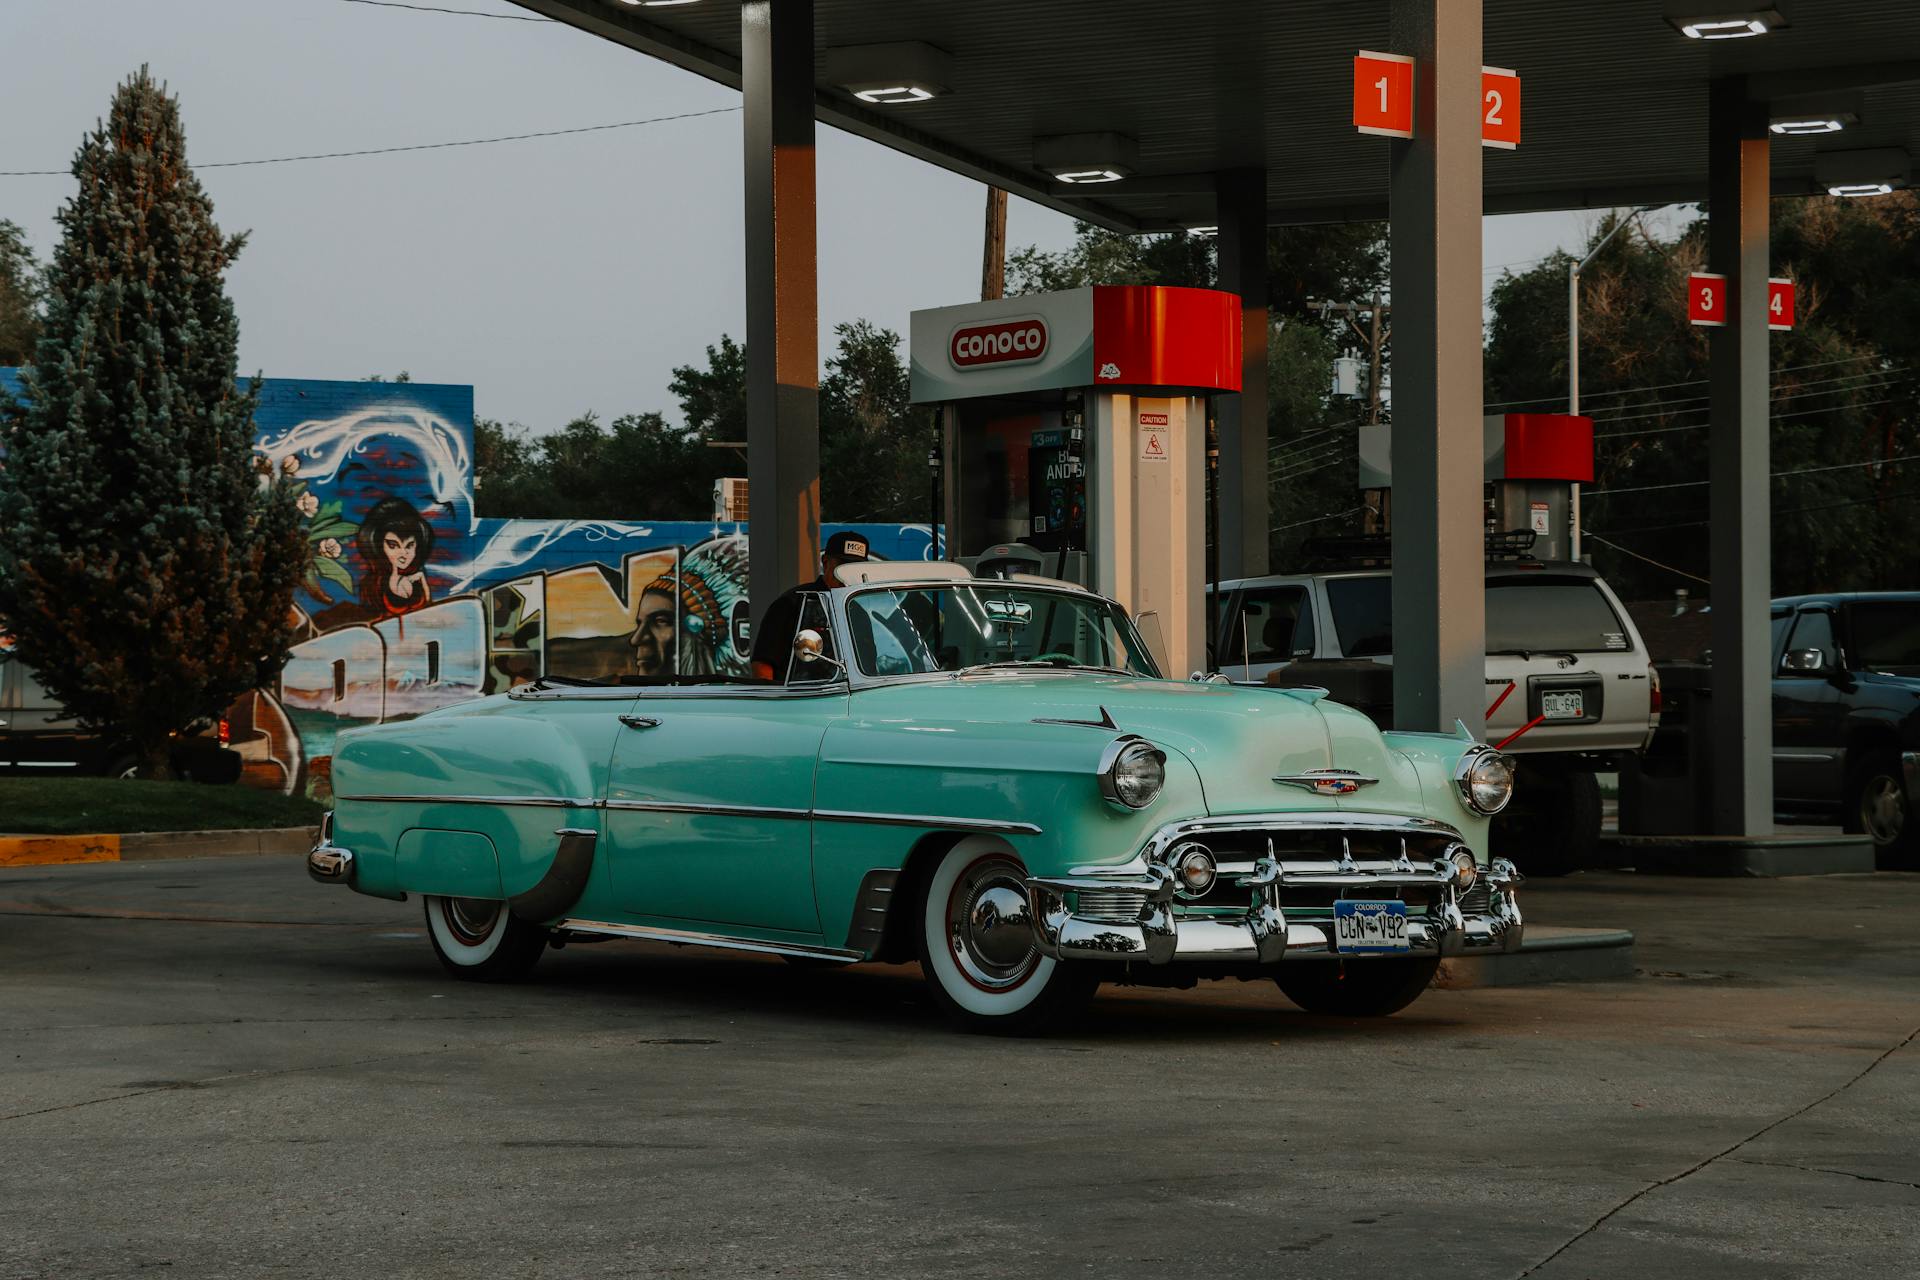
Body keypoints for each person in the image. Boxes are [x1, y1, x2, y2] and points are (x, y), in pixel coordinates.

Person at [749, 531, 869, 681]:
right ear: (825, 563)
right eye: (842, 567)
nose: (846, 576)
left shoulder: (858, 613)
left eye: (854, 569)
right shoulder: (792, 602)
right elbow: (763, 663)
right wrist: (771, 702)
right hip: (798, 699)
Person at [355, 497, 435, 619]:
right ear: (379, 546)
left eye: (409, 545)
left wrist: (423, 582)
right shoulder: (373, 585)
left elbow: (429, 611)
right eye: (393, 546)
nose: (403, 554)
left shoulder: (417, 577)